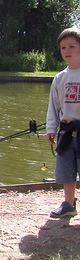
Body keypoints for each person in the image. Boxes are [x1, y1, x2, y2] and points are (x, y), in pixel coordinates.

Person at [46, 26, 80, 218]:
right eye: (63, 48)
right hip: (66, 131)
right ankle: (68, 204)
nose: (67, 51)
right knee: (67, 169)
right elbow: (53, 107)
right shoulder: (60, 78)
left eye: (72, 46)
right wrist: (51, 128)